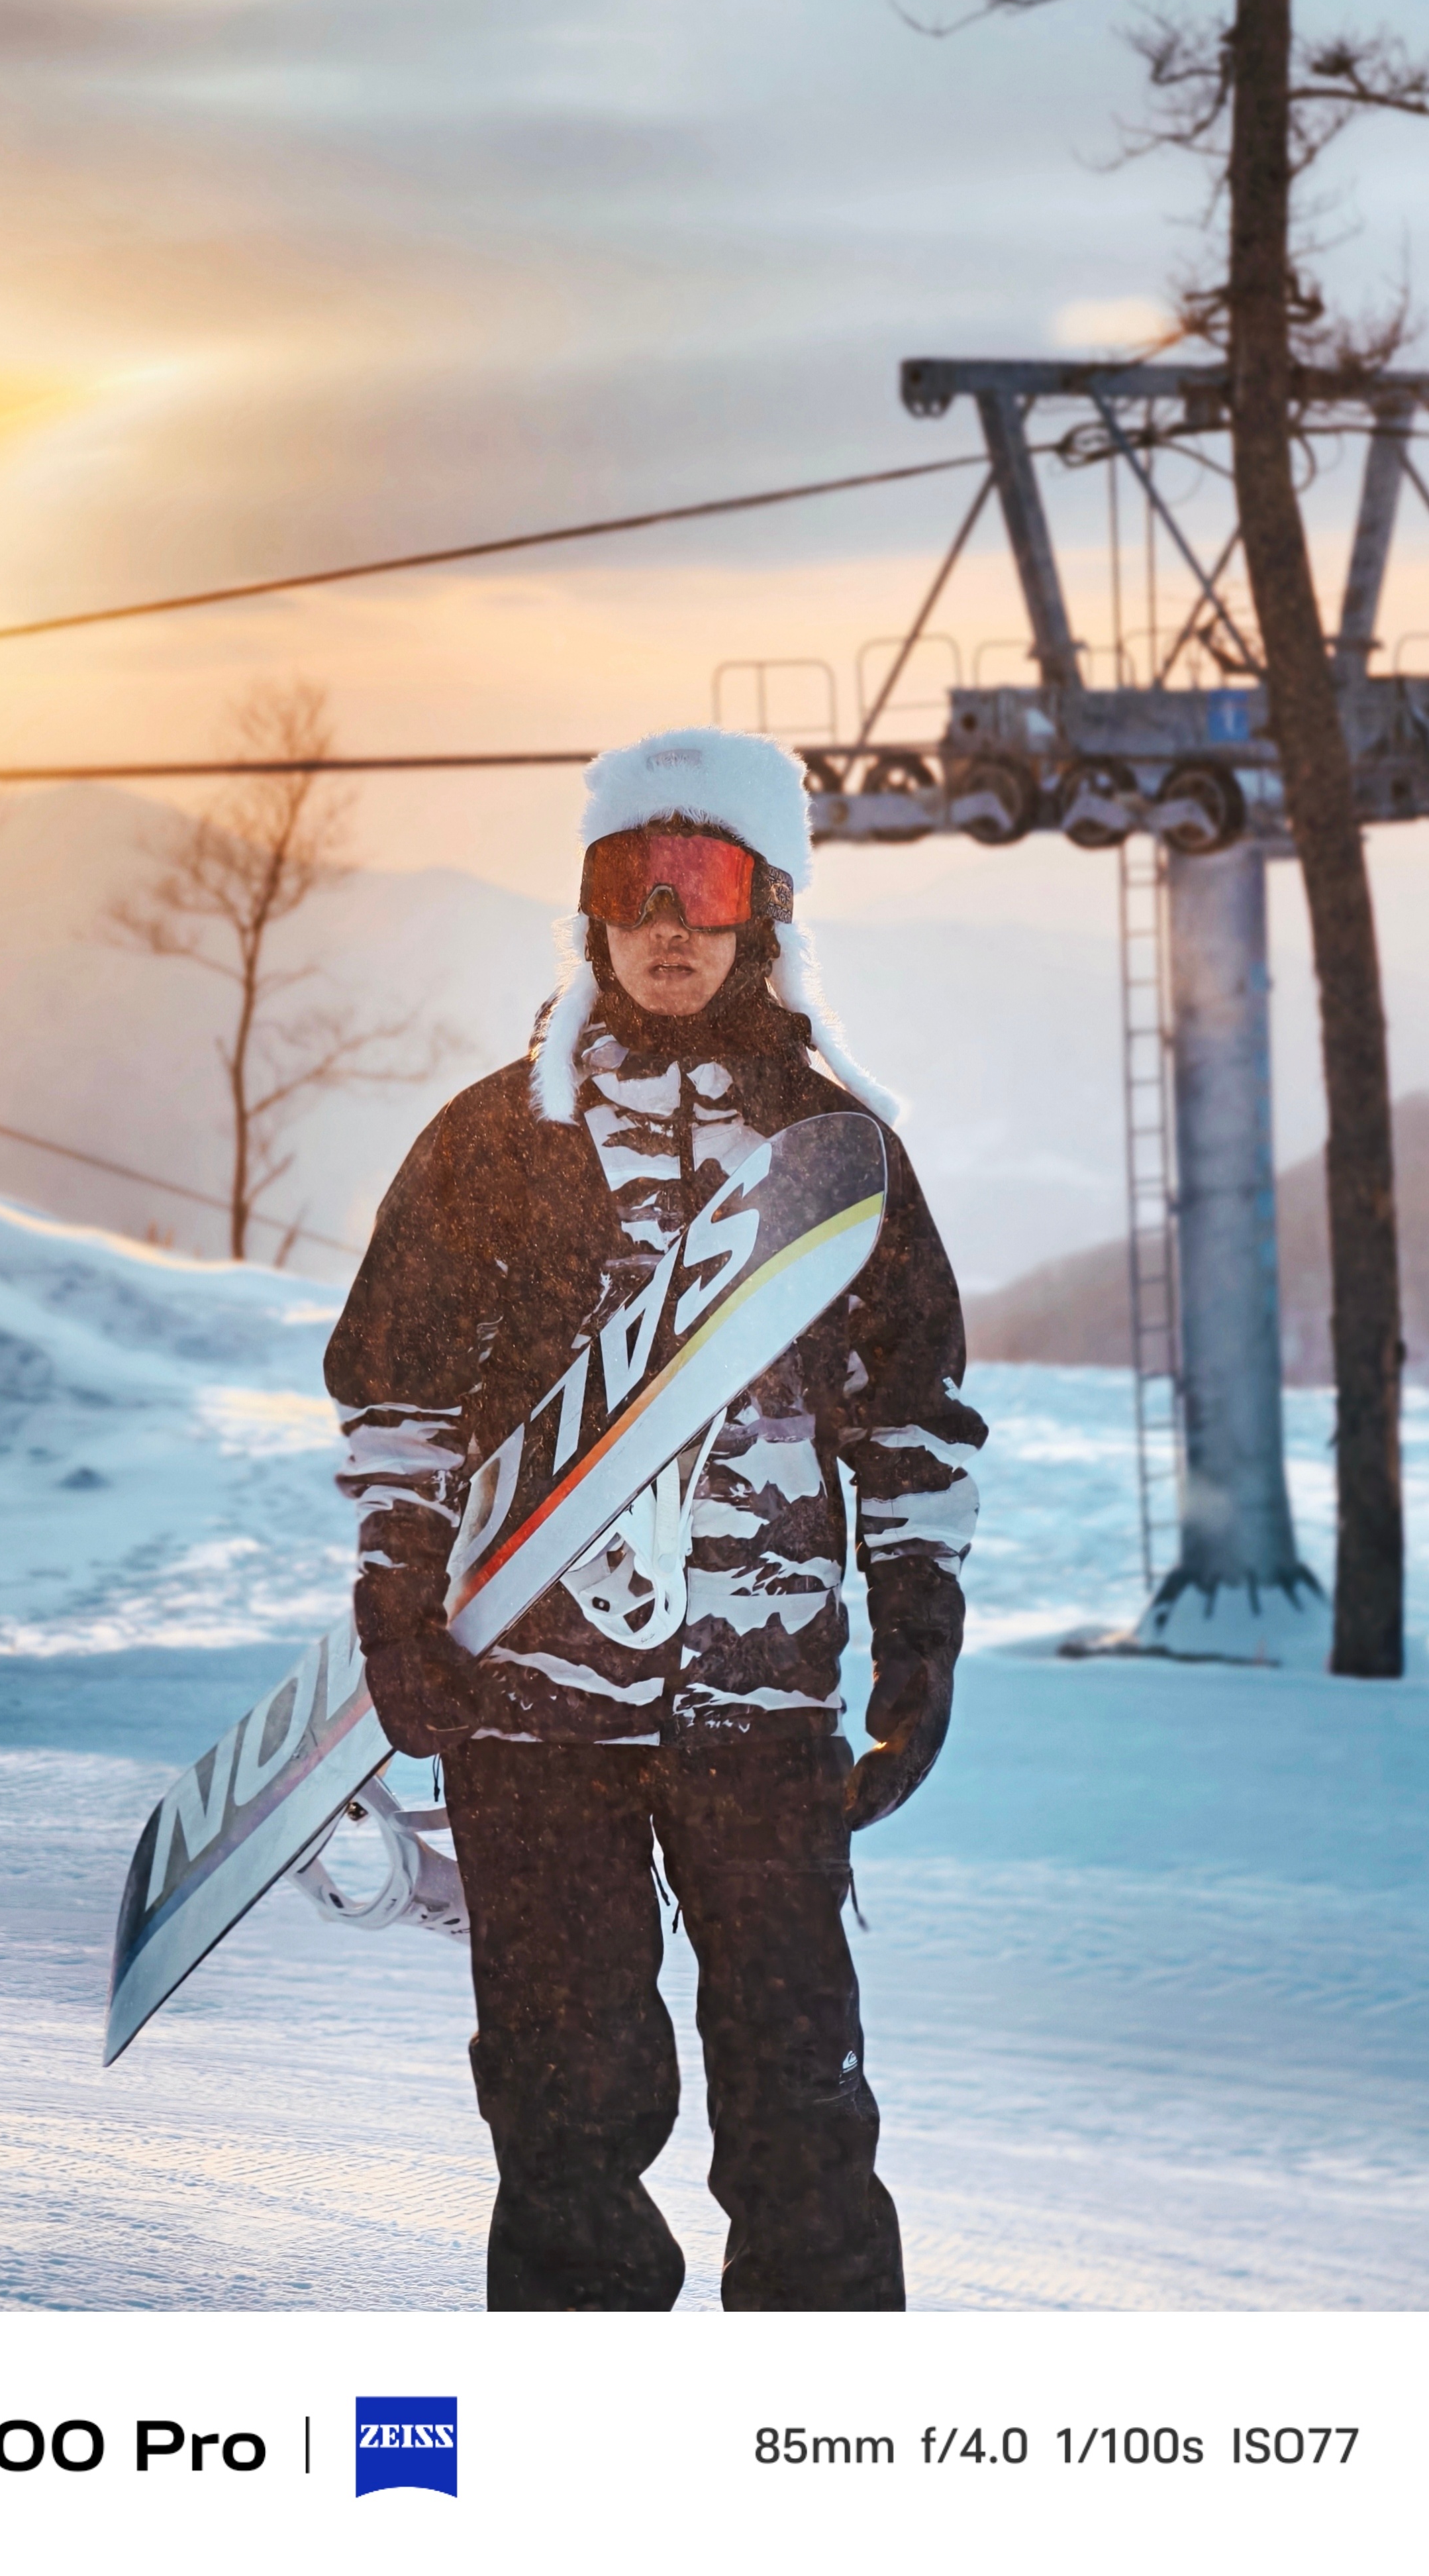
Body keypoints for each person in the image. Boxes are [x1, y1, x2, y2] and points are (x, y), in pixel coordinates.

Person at [324, 727, 985, 2311]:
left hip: (758, 1706)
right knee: (564, 2123)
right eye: (635, 885)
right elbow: (397, 1400)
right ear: (591, 911)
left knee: (801, 2115)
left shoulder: (834, 1160)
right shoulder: (499, 1138)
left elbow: (910, 1416)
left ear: (764, 909)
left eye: (706, 884)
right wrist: (397, 1599)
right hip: (531, 1714)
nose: (669, 920)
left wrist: (917, 1637)